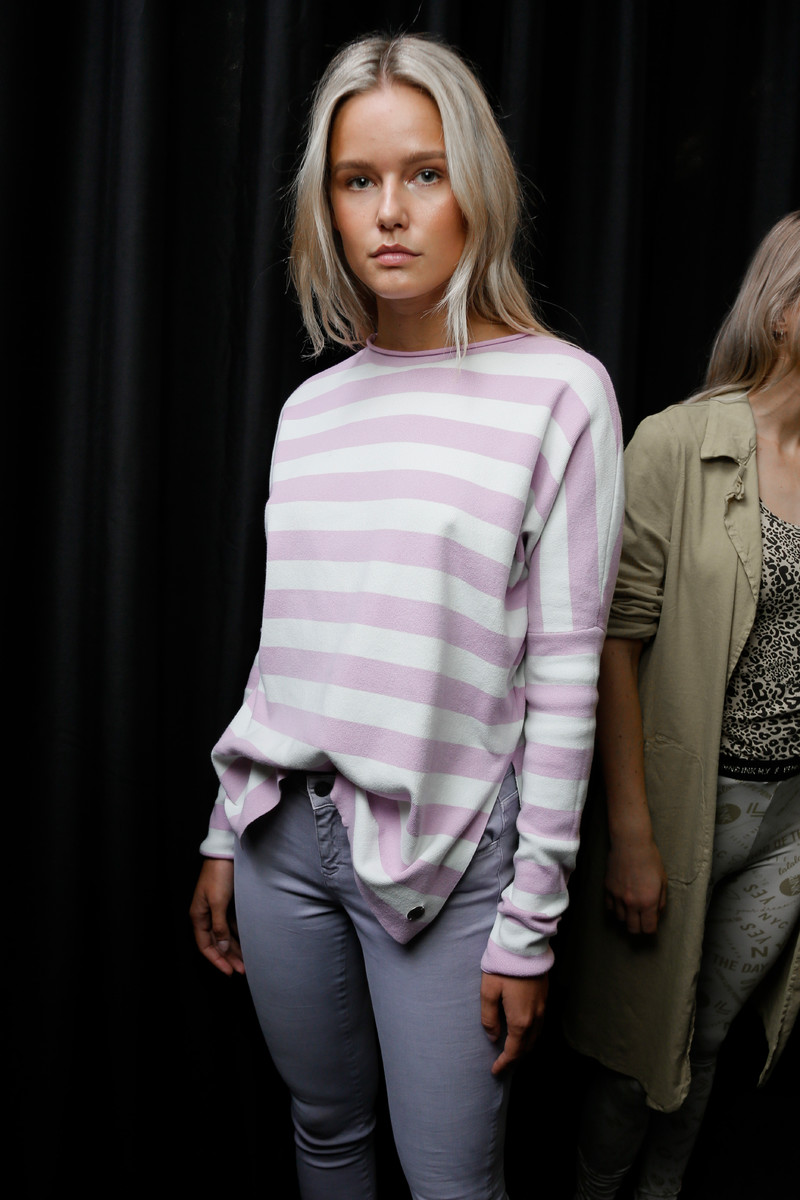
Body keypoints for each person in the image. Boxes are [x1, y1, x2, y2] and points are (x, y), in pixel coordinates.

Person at [189, 32, 624, 1200]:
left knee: (449, 1184)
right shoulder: (310, 411)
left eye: (423, 173)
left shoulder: (559, 391)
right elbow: (289, 647)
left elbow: (566, 675)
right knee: (323, 1132)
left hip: (450, 852)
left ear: (473, 184)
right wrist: (227, 830)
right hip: (281, 839)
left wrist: (529, 921)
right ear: (325, 206)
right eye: (356, 180)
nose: (388, 212)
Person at [563, 212, 800, 1200]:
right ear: (782, 310)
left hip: (789, 824)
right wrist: (629, 835)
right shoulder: (675, 442)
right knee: (637, 1059)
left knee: (705, 1045)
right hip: (682, 811)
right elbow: (612, 640)